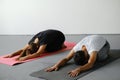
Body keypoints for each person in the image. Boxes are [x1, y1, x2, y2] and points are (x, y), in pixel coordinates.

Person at [45, 35, 110, 77]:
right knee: (93, 57)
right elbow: (66, 58)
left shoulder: (92, 48)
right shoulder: (76, 48)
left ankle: (104, 54)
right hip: (91, 39)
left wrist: (79, 69)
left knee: (99, 58)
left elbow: (90, 64)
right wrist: (56, 65)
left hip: (105, 44)